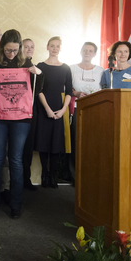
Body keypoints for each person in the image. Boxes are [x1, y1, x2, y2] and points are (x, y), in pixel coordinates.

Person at [0, 30, 43, 219]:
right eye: (8, 50)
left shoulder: (25, 62)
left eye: (15, 51)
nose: (11, 54)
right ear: (2, 47)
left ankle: (16, 204)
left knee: (16, 160)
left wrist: (38, 74)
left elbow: (37, 89)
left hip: (21, 119)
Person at [34, 36, 73, 188]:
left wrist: (63, 109)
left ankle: (53, 175)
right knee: (44, 142)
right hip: (44, 107)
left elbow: (69, 91)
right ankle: (44, 174)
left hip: (60, 105)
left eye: (57, 46)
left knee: (56, 143)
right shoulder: (40, 66)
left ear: (60, 49)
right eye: (52, 46)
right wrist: (48, 109)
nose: (55, 48)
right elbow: (39, 90)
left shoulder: (66, 68)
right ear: (47, 47)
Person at [67, 42, 103, 184]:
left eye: (91, 50)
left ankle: (91, 175)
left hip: (95, 111)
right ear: (80, 52)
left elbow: (106, 90)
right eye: (85, 50)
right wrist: (76, 93)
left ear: (95, 53)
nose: (87, 52)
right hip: (76, 109)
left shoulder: (101, 71)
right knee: (75, 142)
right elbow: (65, 88)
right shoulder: (71, 69)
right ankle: (74, 177)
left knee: (93, 143)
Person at [21, 38, 41, 191]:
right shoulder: (14, 65)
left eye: (31, 47)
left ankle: (26, 178)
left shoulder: (35, 68)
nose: (29, 49)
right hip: (14, 113)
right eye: (26, 46)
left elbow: (40, 88)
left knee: (27, 147)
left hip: (30, 112)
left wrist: (38, 73)